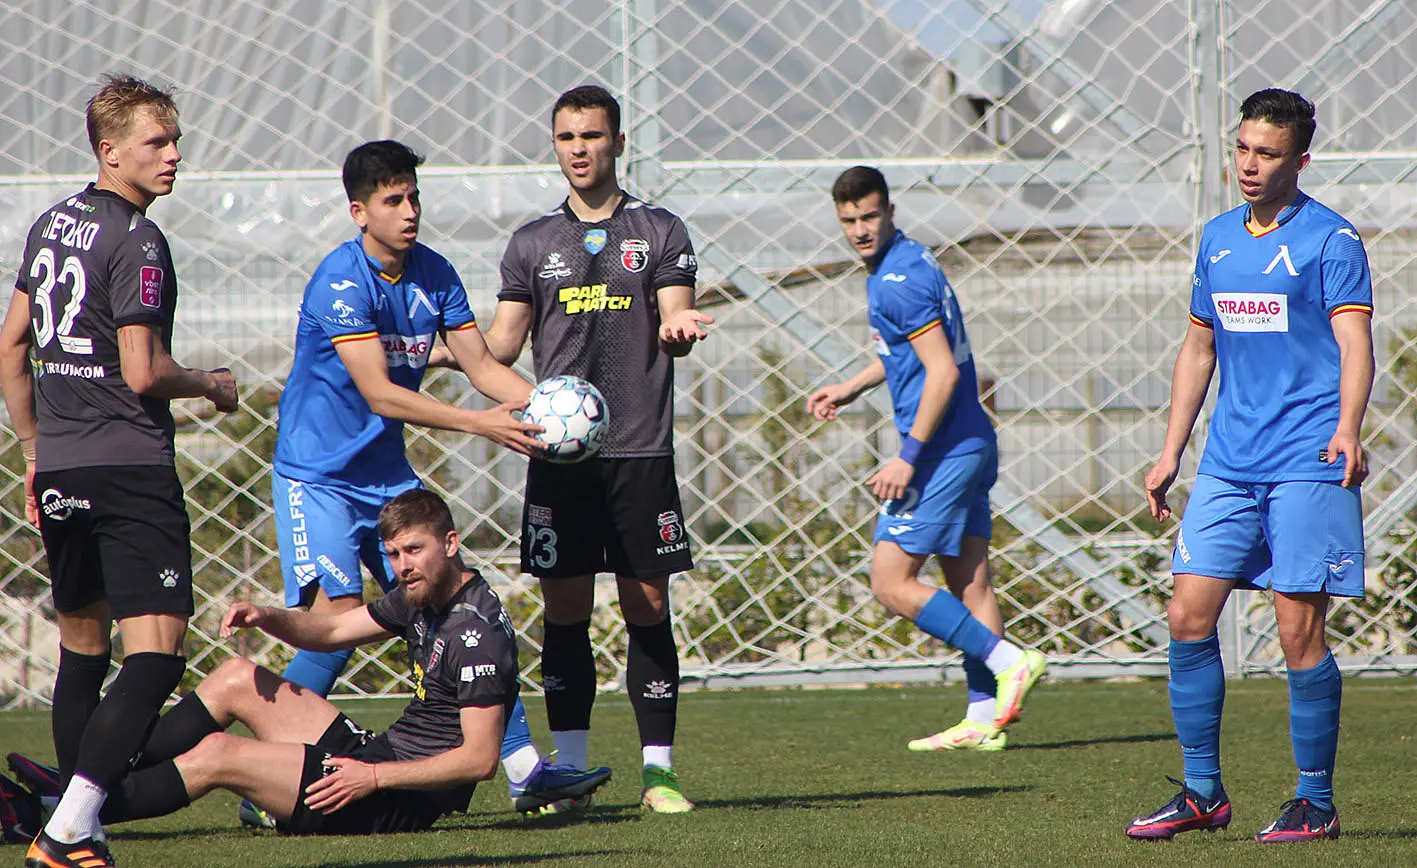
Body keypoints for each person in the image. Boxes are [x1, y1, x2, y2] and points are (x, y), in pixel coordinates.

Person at [262, 139, 606, 821]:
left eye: (413, 196)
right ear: (360, 212)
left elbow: (482, 366)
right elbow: (382, 393)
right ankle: (274, 771)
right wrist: (480, 424)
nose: (409, 211)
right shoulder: (340, 281)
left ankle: (525, 773)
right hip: (317, 479)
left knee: (459, 603)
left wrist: (552, 412)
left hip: (384, 474)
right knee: (337, 618)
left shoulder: (435, 272)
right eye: (393, 200)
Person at [0, 73, 239, 868]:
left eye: (175, 141)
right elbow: (143, 372)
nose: (174, 156)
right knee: (158, 657)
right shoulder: (137, 239)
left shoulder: (50, 224)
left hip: (63, 468)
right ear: (109, 151)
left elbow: (10, 348)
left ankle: (68, 817)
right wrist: (210, 385)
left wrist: (34, 453)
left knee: (83, 648)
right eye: (155, 142)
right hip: (129, 466)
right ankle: (68, 830)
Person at [70, 490, 608, 839]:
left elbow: (479, 760)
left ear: (450, 543)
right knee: (237, 677)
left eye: (414, 550)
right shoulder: (422, 595)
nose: (402, 566)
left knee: (217, 753)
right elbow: (330, 631)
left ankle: (71, 810)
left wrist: (370, 777)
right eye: (393, 554)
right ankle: (95, 777)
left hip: (392, 799)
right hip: (376, 757)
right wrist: (267, 616)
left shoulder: (478, 635)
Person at [1128, 88, 1372, 843]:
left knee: (1297, 632)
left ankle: (1314, 803)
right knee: (1186, 615)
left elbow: (1354, 342)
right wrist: (1170, 450)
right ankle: (1202, 792)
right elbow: (1199, 346)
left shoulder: (1332, 240)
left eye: (1267, 153)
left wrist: (1348, 428)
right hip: (1229, 463)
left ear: (1301, 160)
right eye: (1241, 148)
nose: (1248, 164)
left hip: (1307, 459)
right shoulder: (1216, 239)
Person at [483, 84, 713, 813]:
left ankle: (658, 773)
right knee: (565, 609)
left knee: (648, 602)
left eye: (591, 135)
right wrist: (438, 352)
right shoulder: (531, 243)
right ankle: (572, 775)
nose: (578, 149)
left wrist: (676, 328)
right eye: (566, 137)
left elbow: (674, 312)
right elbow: (501, 346)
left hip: (638, 450)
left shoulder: (659, 229)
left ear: (616, 141)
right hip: (559, 457)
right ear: (554, 145)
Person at [807, 166, 1047, 751]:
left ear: (890, 211)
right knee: (970, 582)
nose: (860, 230)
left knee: (891, 581)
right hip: (971, 441)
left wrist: (907, 458)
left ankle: (1009, 661)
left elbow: (941, 371)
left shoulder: (896, 281)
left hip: (940, 451)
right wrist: (852, 387)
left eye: (869, 216)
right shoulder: (914, 258)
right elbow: (907, 350)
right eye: (849, 221)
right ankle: (984, 719)